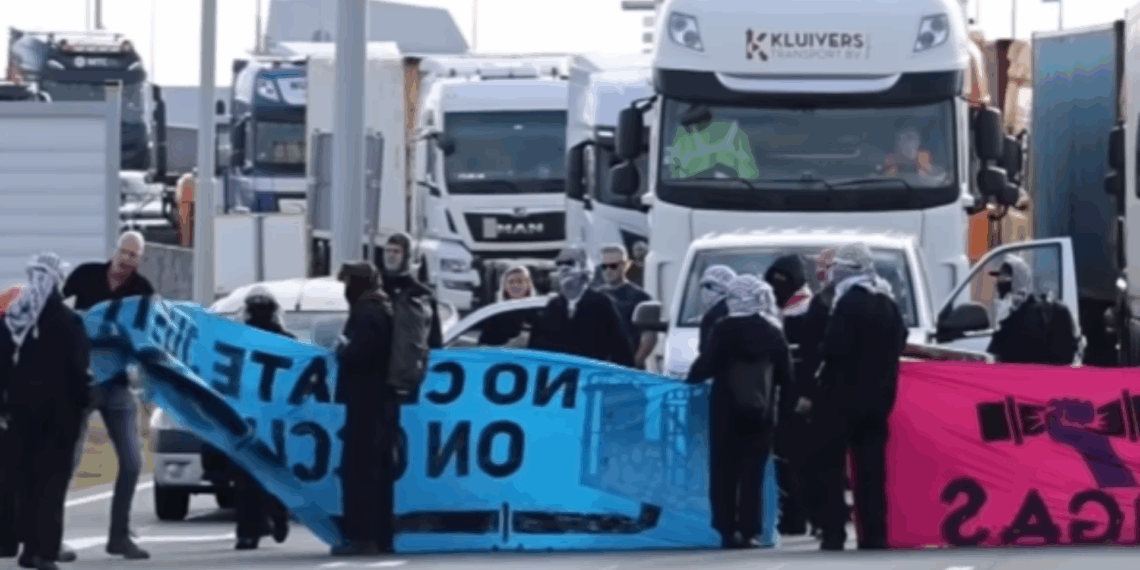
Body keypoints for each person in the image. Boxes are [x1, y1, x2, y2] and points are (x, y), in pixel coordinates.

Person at [804, 242, 907, 551]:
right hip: (879, 400)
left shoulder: (846, 304)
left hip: (841, 399)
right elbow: (899, 342)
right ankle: (874, 534)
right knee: (872, 471)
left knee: (833, 467)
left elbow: (834, 348)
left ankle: (834, 532)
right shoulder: (887, 303)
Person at [61, 231, 153, 561]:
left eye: (134, 256)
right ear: (115, 251)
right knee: (67, 461)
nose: (126, 260)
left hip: (117, 383)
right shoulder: (85, 276)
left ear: (140, 260)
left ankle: (119, 536)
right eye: (123, 253)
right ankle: (51, 536)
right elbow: (57, 315)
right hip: (80, 382)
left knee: (132, 462)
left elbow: (144, 335)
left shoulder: (141, 291)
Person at [0, 253, 92, 570]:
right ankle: (43, 551)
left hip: (19, 416)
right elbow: (80, 371)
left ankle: (26, 547)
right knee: (51, 487)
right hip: (60, 418)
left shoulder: (14, 320)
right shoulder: (69, 322)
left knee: (25, 484)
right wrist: (83, 406)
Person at [686, 275, 792, 550]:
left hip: (725, 410)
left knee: (724, 469)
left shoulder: (723, 329)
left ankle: (726, 529)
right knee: (753, 472)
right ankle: (750, 531)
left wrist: (689, 379)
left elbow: (703, 368)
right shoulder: (772, 331)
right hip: (761, 411)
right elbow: (786, 375)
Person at [332, 262, 395, 556]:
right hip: (379, 402)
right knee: (376, 472)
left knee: (361, 471)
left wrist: (343, 349)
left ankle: (362, 537)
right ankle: (379, 537)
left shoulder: (368, 313)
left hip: (366, 401)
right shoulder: (381, 308)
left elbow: (360, 353)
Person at [230, 288, 292, 550]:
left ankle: (249, 531)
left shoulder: (236, 340)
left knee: (246, 473)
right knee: (273, 469)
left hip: (247, 416)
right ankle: (276, 516)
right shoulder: (287, 341)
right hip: (275, 417)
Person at [763, 254, 814, 536]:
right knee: (783, 455)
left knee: (798, 456)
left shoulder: (808, 310)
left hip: (800, 397)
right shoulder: (772, 311)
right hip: (778, 395)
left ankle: (799, 515)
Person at [528, 246, 635, 367]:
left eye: (569, 263)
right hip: (558, 378)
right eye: (559, 264)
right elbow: (535, 351)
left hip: (591, 377)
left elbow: (621, 349)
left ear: (585, 268)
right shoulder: (551, 307)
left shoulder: (601, 304)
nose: (563, 268)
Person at [986, 255, 1080, 365]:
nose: (998, 283)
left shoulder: (1015, 320)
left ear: (1017, 281)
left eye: (1003, 278)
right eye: (998, 278)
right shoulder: (1048, 310)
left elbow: (996, 354)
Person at [596, 245, 656, 369]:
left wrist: (634, 363)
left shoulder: (640, 297)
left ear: (624, 265)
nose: (608, 270)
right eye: (604, 266)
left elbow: (650, 336)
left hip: (628, 369)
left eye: (613, 266)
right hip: (599, 367)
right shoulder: (595, 296)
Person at [664, 104, 760, 180]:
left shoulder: (733, 132)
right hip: (689, 192)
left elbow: (749, 174)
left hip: (730, 193)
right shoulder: (682, 135)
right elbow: (672, 171)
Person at [381, 233, 443, 350]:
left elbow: (434, 339)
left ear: (407, 256)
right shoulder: (375, 288)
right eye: (387, 251)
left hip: (407, 363)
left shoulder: (422, 294)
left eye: (396, 252)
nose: (390, 255)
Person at [478, 265, 537, 347]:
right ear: (504, 286)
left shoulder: (538, 312)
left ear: (528, 284)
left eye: (520, 281)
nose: (515, 285)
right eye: (511, 282)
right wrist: (509, 346)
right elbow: (482, 347)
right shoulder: (495, 313)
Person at [697, 265, 737, 354]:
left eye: (707, 286)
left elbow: (706, 352)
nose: (703, 290)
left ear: (721, 288)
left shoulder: (712, 317)